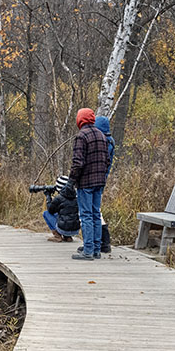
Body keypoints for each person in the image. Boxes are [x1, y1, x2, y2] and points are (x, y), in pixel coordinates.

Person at [68, 108, 110, 260]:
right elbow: (107, 160)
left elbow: (78, 162)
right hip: (99, 182)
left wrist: (71, 181)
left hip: (86, 182)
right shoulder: (101, 135)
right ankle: (97, 250)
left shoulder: (82, 136)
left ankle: (88, 251)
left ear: (80, 119)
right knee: (95, 215)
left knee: (85, 215)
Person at [93, 115, 115, 254]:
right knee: (96, 210)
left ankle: (103, 242)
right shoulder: (110, 141)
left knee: (94, 211)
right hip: (102, 179)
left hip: (96, 180)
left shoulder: (104, 143)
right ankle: (102, 242)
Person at [43, 175, 80, 242]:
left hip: (63, 228)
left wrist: (48, 197)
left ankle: (57, 236)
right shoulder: (76, 196)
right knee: (67, 214)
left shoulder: (59, 198)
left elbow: (50, 210)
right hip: (75, 229)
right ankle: (68, 237)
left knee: (46, 213)